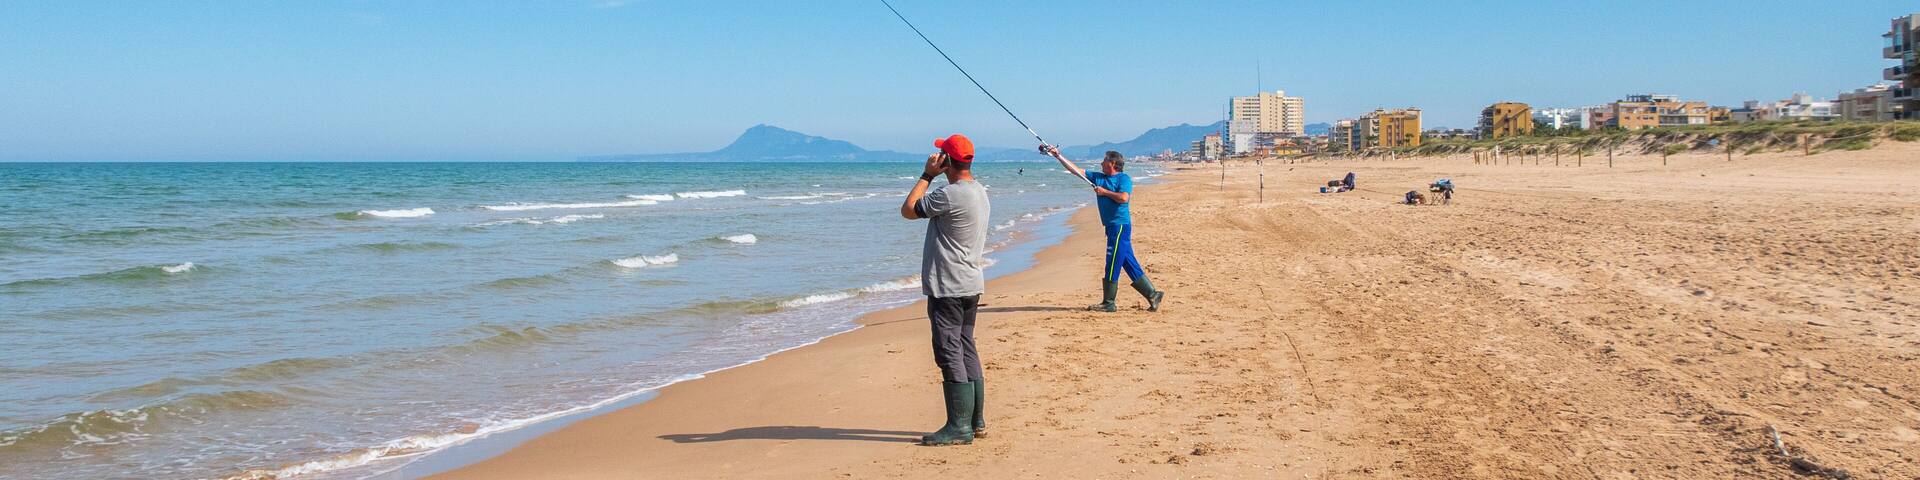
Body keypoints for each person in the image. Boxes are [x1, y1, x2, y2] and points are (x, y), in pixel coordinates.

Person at [900, 133, 991, 446]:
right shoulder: (979, 191)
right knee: (966, 346)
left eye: (942, 155)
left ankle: (959, 426)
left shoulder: (949, 195)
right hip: (969, 282)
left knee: (949, 350)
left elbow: (909, 209)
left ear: (948, 161)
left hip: (948, 286)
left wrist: (927, 174)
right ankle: (975, 421)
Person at [1040, 146, 1166, 312]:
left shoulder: (1123, 179)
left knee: (1112, 262)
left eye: (1104, 160)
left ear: (1112, 163)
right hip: (1111, 227)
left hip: (1120, 226)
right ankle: (1153, 294)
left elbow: (1123, 198)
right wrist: (1058, 156)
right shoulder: (1098, 177)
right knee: (1128, 263)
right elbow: (1075, 170)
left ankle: (1109, 302)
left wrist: (1104, 192)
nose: (1101, 163)